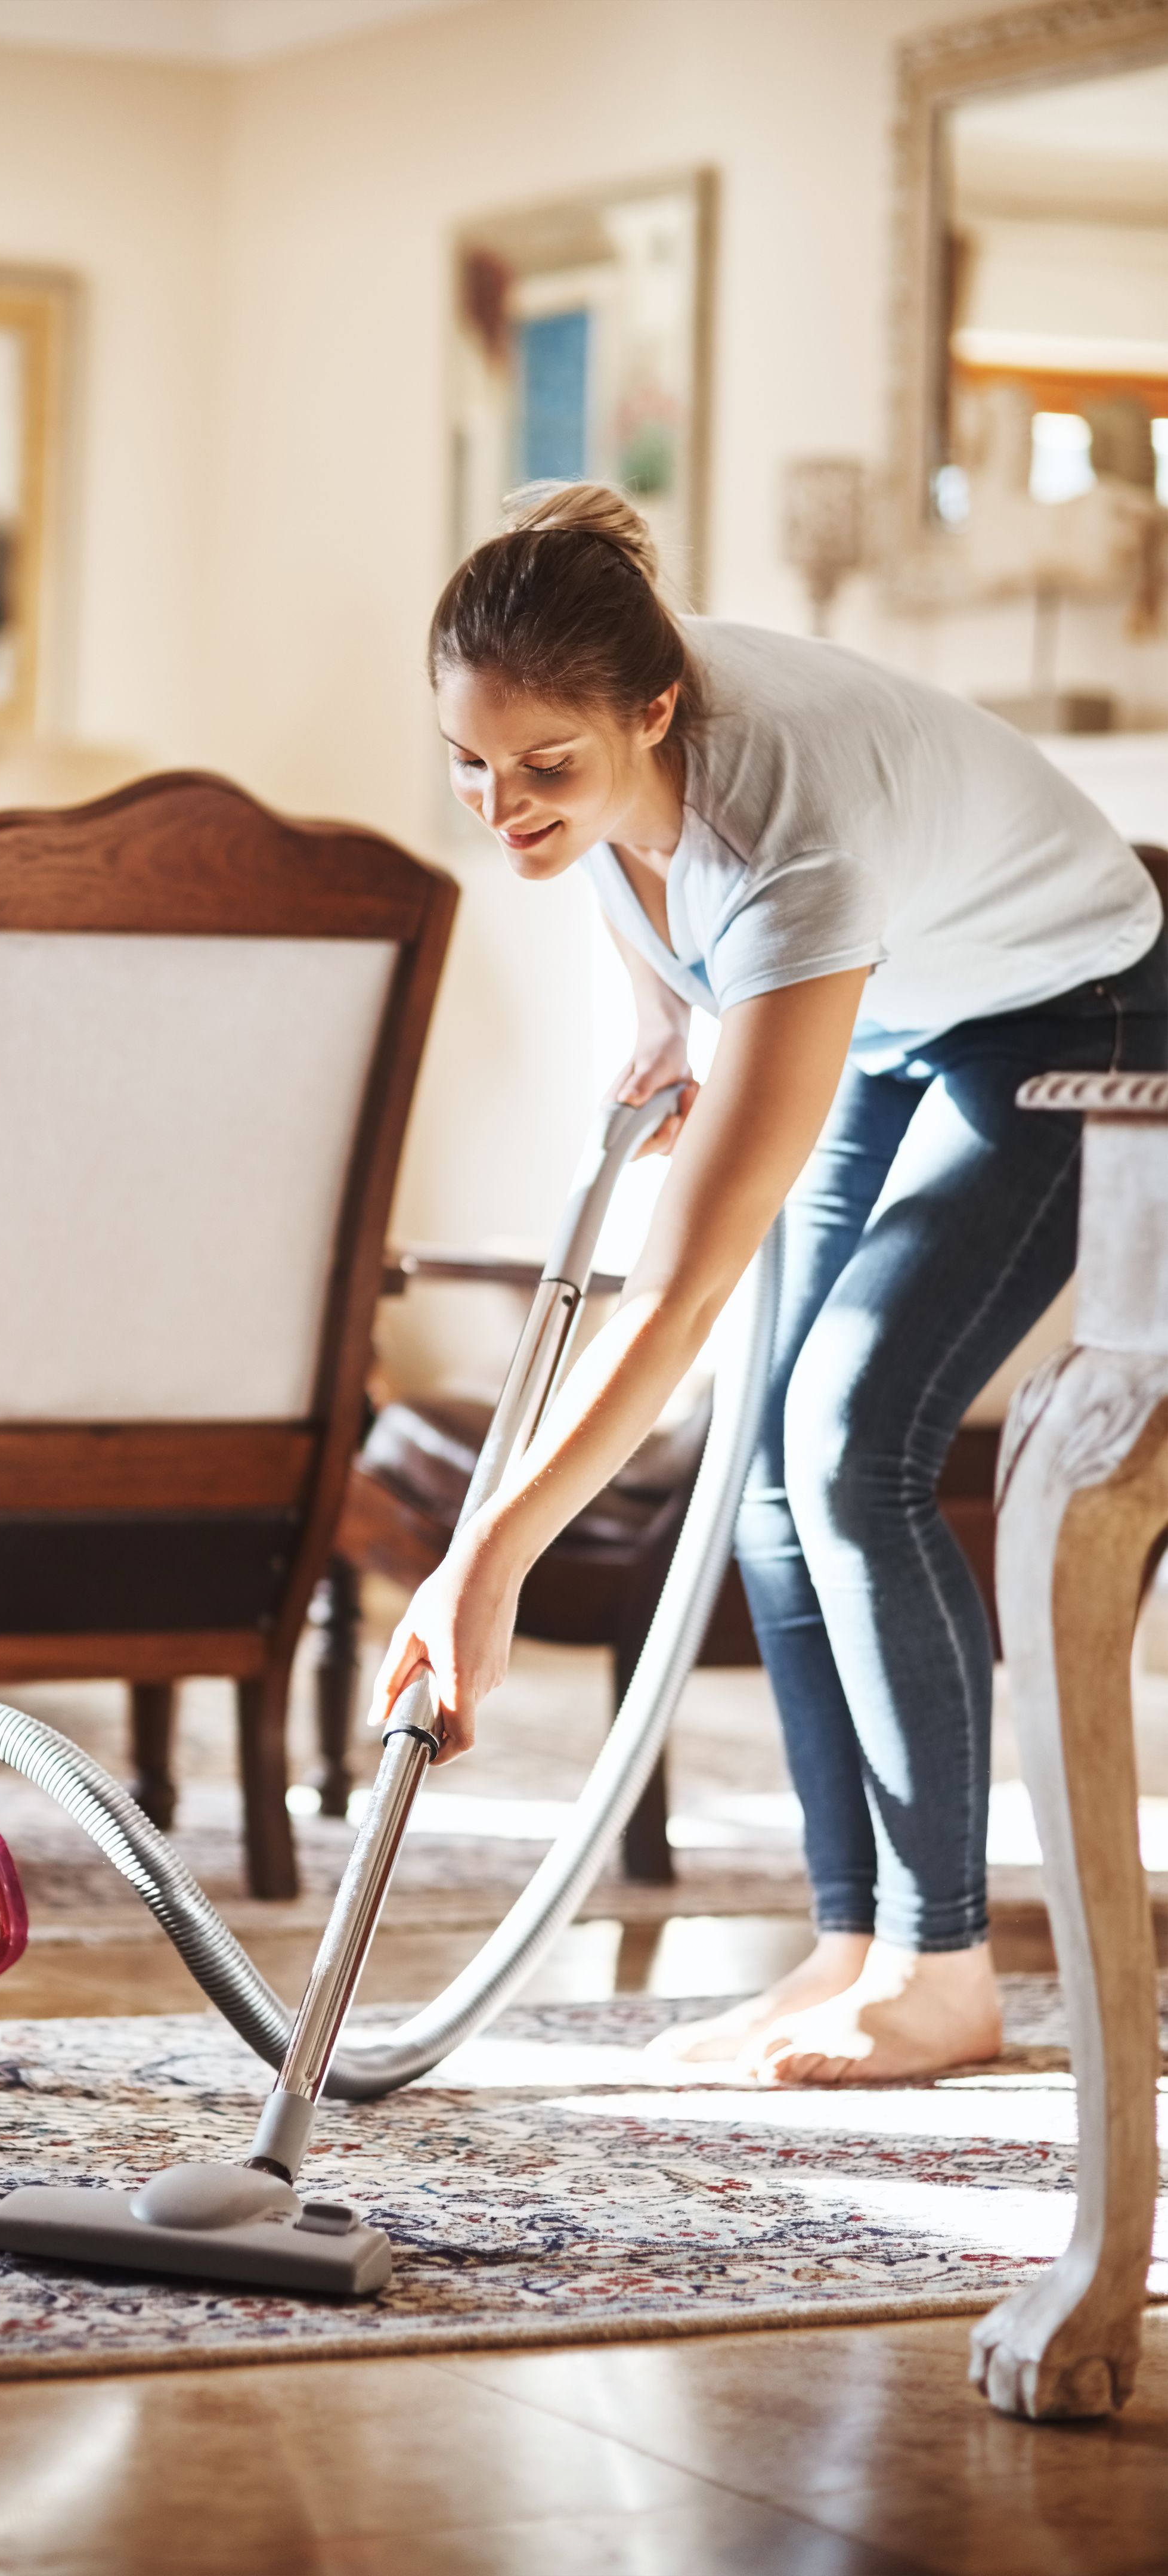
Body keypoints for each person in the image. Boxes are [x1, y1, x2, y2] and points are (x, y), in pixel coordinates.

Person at [370, 479, 1166, 2086]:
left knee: (849, 1437)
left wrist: (486, 1560)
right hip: (906, 996)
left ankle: (946, 1967)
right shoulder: (595, 720)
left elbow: (677, 1293)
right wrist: (664, 1006)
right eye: (467, 763)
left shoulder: (782, 841)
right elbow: (596, 843)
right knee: (762, 1477)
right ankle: (849, 1945)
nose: (503, 801)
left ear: (656, 710)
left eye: (542, 769)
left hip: (1077, 1006)